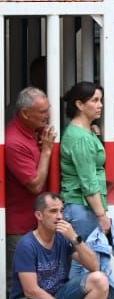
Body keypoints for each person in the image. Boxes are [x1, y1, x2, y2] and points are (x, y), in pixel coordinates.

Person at [8, 193, 111, 299]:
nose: (59, 216)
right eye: (53, 211)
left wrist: (75, 239)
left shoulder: (63, 238)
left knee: (100, 280)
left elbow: (94, 266)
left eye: (61, 211)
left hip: (58, 296)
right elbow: (31, 290)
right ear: (39, 215)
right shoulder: (27, 244)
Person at [5, 88, 56, 279]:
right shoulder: (14, 141)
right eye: (43, 112)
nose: (48, 116)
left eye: (48, 109)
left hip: (36, 222)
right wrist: (47, 152)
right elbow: (34, 184)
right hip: (19, 227)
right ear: (25, 113)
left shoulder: (33, 131)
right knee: (18, 283)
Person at [58, 82, 110, 245]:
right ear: (79, 104)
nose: (100, 105)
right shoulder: (81, 139)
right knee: (85, 263)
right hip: (83, 208)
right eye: (94, 100)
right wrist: (101, 216)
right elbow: (88, 181)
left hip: (81, 207)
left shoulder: (82, 131)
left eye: (100, 100)